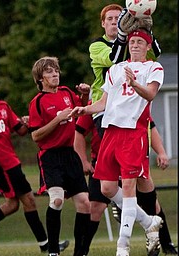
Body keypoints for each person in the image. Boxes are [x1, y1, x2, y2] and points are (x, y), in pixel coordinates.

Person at [88, 4, 177, 255]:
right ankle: (150, 225)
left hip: (134, 124)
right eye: (112, 19)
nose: (117, 22)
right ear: (104, 24)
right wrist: (126, 37)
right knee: (114, 187)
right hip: (110, 118)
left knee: (145, 190)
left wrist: (144, 25)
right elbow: (116, 58)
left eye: (120, 17)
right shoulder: (100, 48)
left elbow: (151, 53)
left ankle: (153, 241)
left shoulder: (148, 62)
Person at [71, 29, 164, 256]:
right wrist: (85, 108)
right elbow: (103, 102)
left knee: (130, 188)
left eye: (140, 42)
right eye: (132, 41)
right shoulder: (115, 69)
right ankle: (148, 222)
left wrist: (135, 84)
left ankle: (122, 246)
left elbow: (150, 94)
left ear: (148, 46)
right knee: (107, 188)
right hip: (110, 132)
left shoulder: (153, 68)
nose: (134, 45)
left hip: (133, 133)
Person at [0, 76, 69, 256]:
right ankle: (45, 245)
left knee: (12, 204)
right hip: (1, 165)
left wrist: (26, 121)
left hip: (12, 161)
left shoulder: (4, 107)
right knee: (29, 201)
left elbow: (21, 131)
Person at [74, 103, 175, 255]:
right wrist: (83, 160)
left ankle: (164, 244)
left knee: (150, 201)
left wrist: (161, 152)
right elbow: (79, 131)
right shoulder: (99, 99)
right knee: (99, 202)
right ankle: (82, 251)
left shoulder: (134, 98)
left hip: (131, 153)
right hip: (104, 156)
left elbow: (150, 124)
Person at [28, 56, 91, 256]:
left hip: (70, 154)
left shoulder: (65, 92)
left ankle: (79, 252)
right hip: (50, 157)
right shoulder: (37, 102)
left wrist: (84, 95)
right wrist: (57, 119)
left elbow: (78, 112)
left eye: (56, 70)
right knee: (57, 200)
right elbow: (36, 135)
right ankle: (53, 252)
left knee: (85, 203)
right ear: (40, 78)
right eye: (48, 71)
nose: (54, 74)